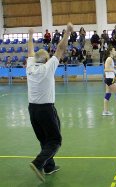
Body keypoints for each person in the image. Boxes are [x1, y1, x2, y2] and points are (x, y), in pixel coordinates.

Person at [27, 22, 73, 182]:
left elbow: (30, 51)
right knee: (55, 140)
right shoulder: (48, 67)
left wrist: (31, 35)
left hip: (32, 109)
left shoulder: (30, 67)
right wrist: (67, 32)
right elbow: (60, 49)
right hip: (46, 109)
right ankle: (38, 163)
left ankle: (49, 166)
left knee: (44, 139)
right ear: (46, 59)